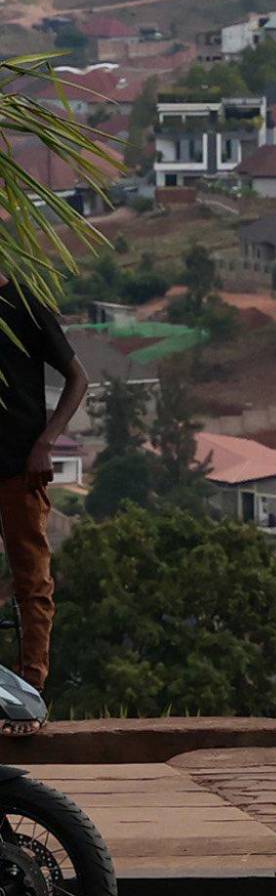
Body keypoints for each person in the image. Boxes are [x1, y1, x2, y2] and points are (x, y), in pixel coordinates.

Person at [0, 277, 88, 726]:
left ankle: (29, 690)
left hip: (20, 467)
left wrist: (45, 443)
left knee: (32, 578)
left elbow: (78, 378)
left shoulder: (22, 304)